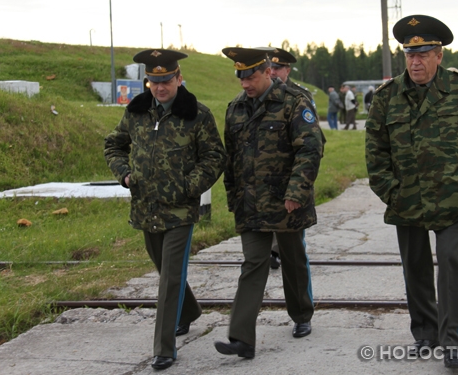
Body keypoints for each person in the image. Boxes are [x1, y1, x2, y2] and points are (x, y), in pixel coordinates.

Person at [365, 15, 458, 369]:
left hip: (454, 198)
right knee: (416, 268)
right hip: (406, 198)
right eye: (410, 55)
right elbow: (375, 151)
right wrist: (390, 191)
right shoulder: (386, 97)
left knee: (450, 264)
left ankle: (452, 342)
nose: (415, 62)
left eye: (423, 55)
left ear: (439, 56)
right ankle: (425, 332)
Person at [104, 49, 227, 370]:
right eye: (154, 81)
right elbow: (114, 144)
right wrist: (124, 174)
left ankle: (164, 348)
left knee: (169, 279)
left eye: (166, 81)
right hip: (145, 208)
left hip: (180, 212)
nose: (160, 87)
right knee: (165, 270)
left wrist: (189, 187)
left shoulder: (197, 114)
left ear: (179, 79)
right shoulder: (137, 111)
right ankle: (189, 311)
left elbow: (215, 157)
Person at [215, 47, 323, 359]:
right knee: (253, 263)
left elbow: (310, 148)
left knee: (292, 259)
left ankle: (301, 314)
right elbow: (231, 159)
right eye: (241, 77)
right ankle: (242, 339)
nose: (245, 83)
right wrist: (233, 197)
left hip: (286, 202)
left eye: (250, 77)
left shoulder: (293, 102)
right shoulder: (235, 108)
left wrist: (296, 192)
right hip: (250, 203)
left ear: (266, 73)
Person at [267, 47, 325, 269]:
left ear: (287, 70)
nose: (273, 72)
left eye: (278, 68)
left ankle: (278, 252)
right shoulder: (261, 94)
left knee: (292, 232)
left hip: (293, 170)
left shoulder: (300, 96)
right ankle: (273, 251)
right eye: (270, 67)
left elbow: (313, 138)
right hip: (268, 170)